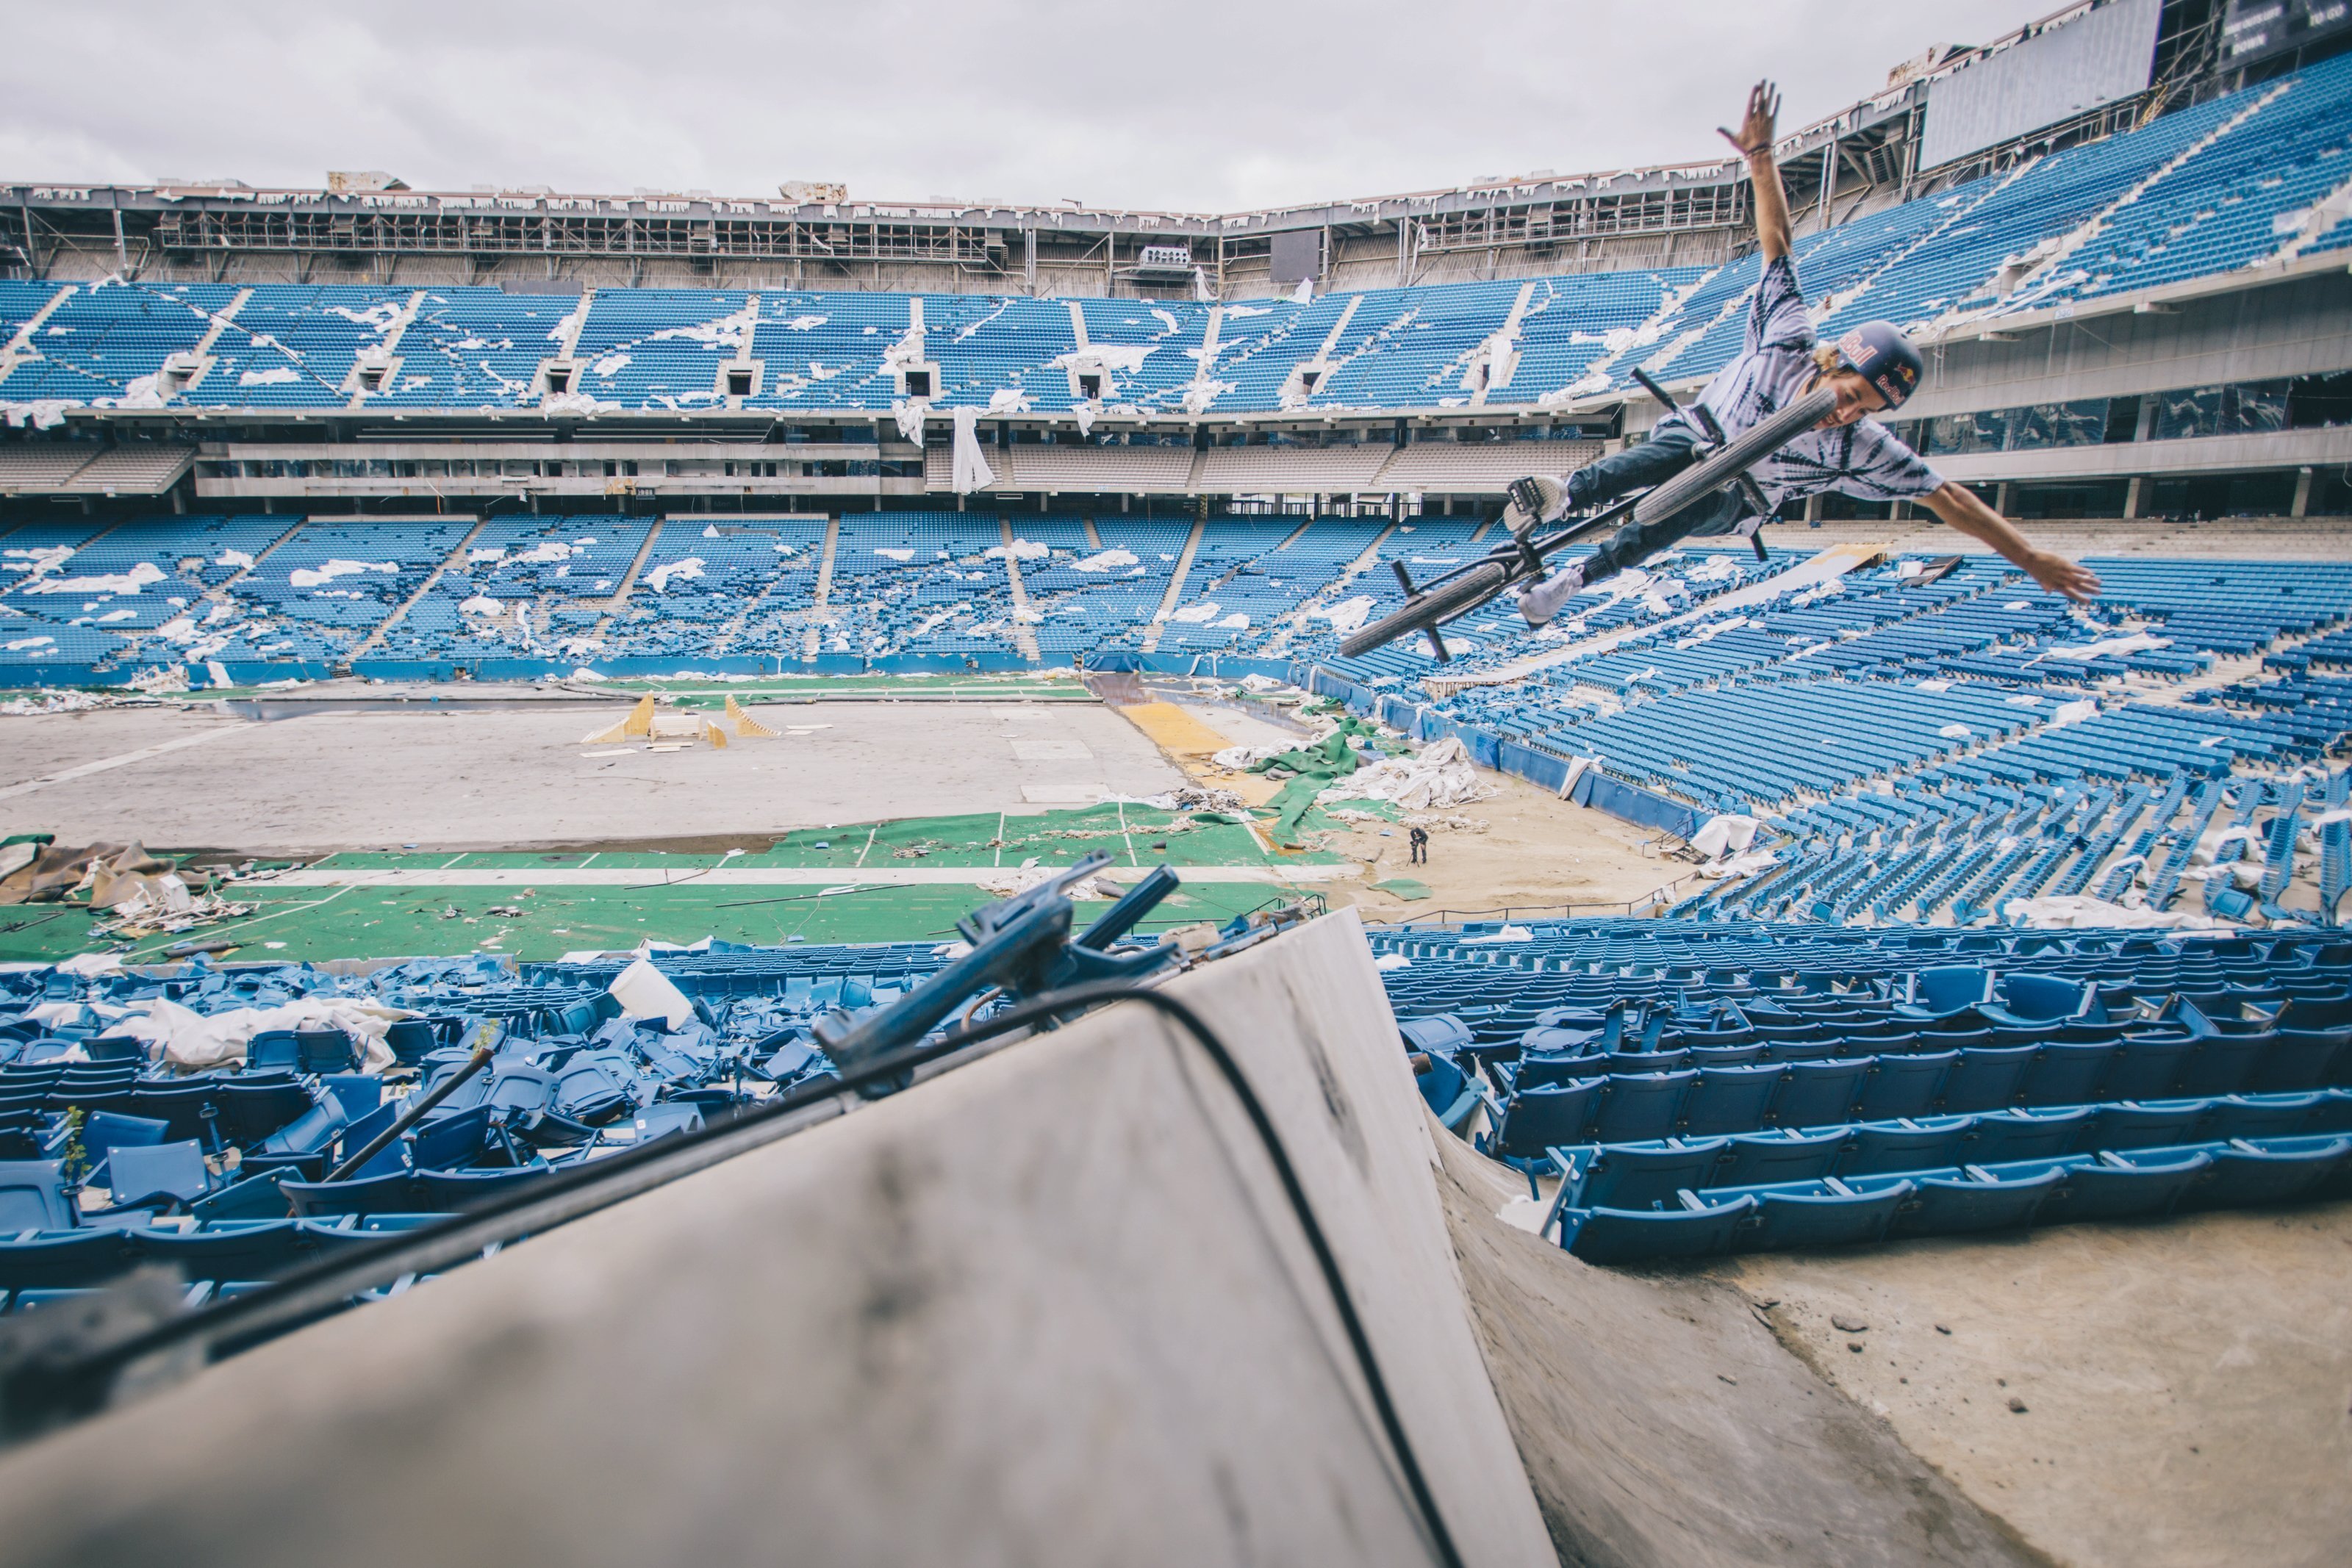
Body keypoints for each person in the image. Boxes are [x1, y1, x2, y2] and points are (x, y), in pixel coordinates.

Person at [1510, 81, 2102, 627]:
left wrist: (2028, 557)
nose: (1845, 414)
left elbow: (1947, 497)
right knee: (1668, 450)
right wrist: (1761, 159)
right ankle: (1568, 493)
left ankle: (1574, 580)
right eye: (1849, 396)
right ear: (1833, 363)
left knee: (1686, 508)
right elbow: (1779, 250)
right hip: (1699, 433)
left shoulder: (1859, 445)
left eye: (1862, 411)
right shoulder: (1789, 338)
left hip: (1740, 495)